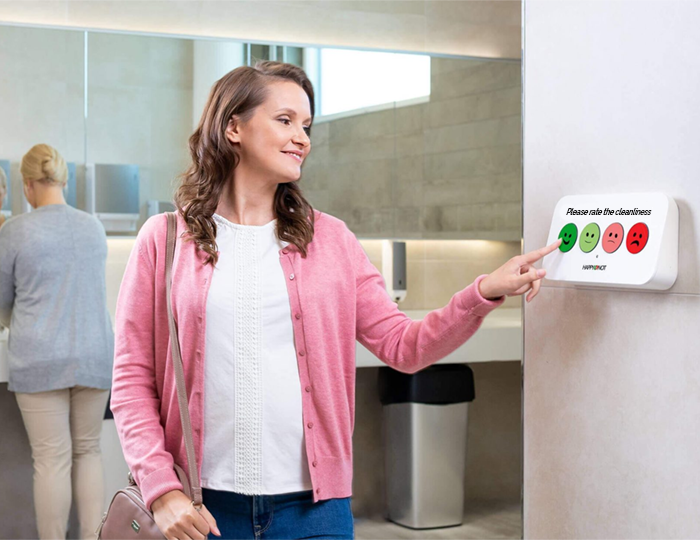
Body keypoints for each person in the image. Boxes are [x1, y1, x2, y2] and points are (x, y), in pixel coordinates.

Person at [110, 60, 560, 540]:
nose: (302, 137)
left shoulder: (332, 240)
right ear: (232, 127)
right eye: (285, 120)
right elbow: (132, 378)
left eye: (306, 126)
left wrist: (484, 292)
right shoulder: (165, 240)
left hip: (314, 512)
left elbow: (404, 347)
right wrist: (162, 490)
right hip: (202, 510)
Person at [0, 144, 115, 540]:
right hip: (95, 355)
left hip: (40, 358)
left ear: (28, 185)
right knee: (89, 451)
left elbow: (1, 302)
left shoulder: (14, 230)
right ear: (64, 181)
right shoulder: (94, 226)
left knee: (51, 459)